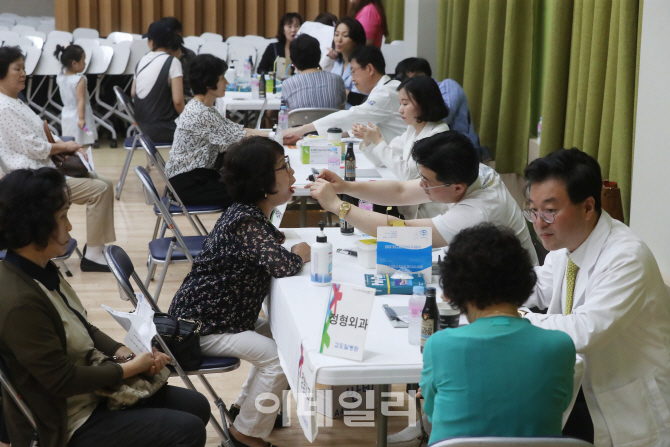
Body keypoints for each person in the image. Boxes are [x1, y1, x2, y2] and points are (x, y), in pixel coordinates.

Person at [0, 168, 211, 447]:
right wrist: (129, 369)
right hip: (66, 422)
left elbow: (82, 325)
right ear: (34, 227)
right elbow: (63, 381)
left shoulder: (40, 268)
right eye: (63, 218)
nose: (70, 227)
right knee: (187, 430)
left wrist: (123, 354)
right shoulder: (20, 303)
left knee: (196, 406)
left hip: (90, 393)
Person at [521, 148, 670, 446]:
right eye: (533, 210)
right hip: (577, 389)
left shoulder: (626, 257)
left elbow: (586, 330)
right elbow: (534, 287)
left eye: (550, 211)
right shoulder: (566, 244)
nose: (538, 223)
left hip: (625, 404)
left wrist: (512, 320)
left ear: (588, 207)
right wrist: (478, 291)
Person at [168, 137, 311, 447]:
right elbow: (283, 265)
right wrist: (301, 253)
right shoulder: (244, 220)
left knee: (285, 336)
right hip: (203, 327)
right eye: (284, 166)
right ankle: (245, 436)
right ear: (263, 182)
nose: (291, 171)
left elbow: (268, 250)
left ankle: (243, 411)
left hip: (225, 317)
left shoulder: (245, 212)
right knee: (278, 357)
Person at [420, 223, 575, 444]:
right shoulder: (560, 346)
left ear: (453, 288)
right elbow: (559, 406)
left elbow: (433, 415)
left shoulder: (440, 346)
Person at [307, 131, 538, 264]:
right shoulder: (472, 173)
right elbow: (400, 191)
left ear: (456, 188)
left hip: (511, 296)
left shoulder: (478, 212)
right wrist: (346, 186)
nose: (421, 184)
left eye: (427, 180)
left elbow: (402, 230)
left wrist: (338, 206)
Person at [0, 46, 116, 272]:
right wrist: (65, 146)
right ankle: (93, 254)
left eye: (24, 68)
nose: (23, 73)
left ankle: (97, 247)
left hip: (43, 169)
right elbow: (33, 147)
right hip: (32, 179)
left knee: (106, 184)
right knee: (99, 190)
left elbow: (43, 133)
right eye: (17, 69)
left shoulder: (14, 101)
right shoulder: (4, 106)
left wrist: (66, 147)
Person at [164, 54, 269, 209]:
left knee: (247, 184)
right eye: (222, 79)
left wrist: (272, 134)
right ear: (209, 84)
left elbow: (235, 130)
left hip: (193, 177)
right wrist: (276, 136)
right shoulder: (201, 113)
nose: (226, 83)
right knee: (251, 194)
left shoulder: (201, 107)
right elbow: (241, 135)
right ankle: (242, 232)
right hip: (188, 185)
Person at [352, 75, 450, 218]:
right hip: (408, 209)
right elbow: (380, 160)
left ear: (424, 103)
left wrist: (379, 141)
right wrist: (368, 140)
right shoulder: (413, 128)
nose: (400, 110)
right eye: (400, 104)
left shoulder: (438, 134)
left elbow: (408, 175)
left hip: (430, 215)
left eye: (405, 104)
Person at [283, 45, 405, 145]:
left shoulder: (386, 93)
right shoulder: (384, 89)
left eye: (353, 71)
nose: (352, 79)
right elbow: (356, 126)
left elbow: (352, 115)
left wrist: (301, 130)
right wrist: (309, 137)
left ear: (369, 69)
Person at [394, 57, 481, 149]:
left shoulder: (447, 85)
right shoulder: (412, 128)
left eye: (406, 77)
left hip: (461, 149)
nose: (405, 82)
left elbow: (440, 116)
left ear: (422, 76)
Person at [131, 20, 185, 144]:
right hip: (165, 130)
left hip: (141, 129)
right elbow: (178, 101)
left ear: (151, 42)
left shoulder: (142, 61)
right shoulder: (173, 62)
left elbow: (133, 93)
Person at [280, 34, 346, 110]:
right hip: (331, 122)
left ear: (293, 59)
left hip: (300, 122)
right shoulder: (337, 80)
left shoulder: (288, 84)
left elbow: (286, 115)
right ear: (318, 55)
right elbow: (341, 111)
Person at [54, 44, 98, 145]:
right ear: (74, 63)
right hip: (79, 115)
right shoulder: (79, 80)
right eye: (83, 61)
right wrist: (81, 118)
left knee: (70, 142)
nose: (85, 63)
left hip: (66, 114)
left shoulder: (60, 78)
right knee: (80, 143)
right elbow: (80, 100)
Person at [329, 17, 367, 108]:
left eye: (345, 36)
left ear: (355, 40)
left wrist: (335, 89)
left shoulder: (362, 64)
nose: (339, 40)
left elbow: (357, 99)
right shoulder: (338, 62)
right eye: (336, 34)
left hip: (353, 113)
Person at [161, 16, 197, 103]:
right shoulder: (156, 56)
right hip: (161, 101)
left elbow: (197, 82)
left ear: (179, 34)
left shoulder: (189, 55)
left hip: (184, 99)